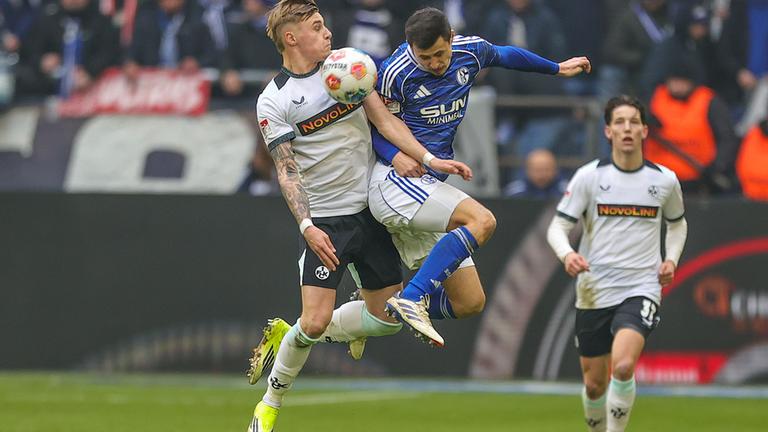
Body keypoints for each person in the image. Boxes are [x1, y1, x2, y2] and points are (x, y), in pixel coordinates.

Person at [244, 1, 470, 431]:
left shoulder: (349, 66)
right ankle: (268, 406)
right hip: (327, 221)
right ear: (291, 38)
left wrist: (426, 159)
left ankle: (290, 332)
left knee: (386, 320)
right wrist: (307, 227)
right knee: (314, 322)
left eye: (324, 24)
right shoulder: (274, 100)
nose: (327, 32)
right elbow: (286, 170)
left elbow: (385, 123)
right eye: (316, 27)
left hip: (371, 209)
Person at [370, 7, 591, 345]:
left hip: (430, 183)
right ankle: (412, 298)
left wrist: (556, 68)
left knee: (469, 302)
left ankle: (368, 312)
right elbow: (377, 125)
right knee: (482, 220)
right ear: (411, 47)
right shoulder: (395, 72)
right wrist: (396, 155)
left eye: (440, 54)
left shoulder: (469, 51)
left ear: (451, 38)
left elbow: (505, 55)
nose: (434, 63)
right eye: (425, 57)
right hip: (397, 179)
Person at [546, 95, 688, 432]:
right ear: (608, 132)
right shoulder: (589, 177)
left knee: (623, 366)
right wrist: (567, 254)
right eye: (620, 122)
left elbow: (678, 224)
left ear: (644, 131)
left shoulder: (664, 180)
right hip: (594, 289)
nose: (627, 128)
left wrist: (671, 259)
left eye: (634, 122)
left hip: (641, 285)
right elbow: (558, 227)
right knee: (594, 384)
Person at [503, 148, 567, 199]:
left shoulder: (566, 191)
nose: (542, 175)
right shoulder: (514, 193)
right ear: (527, 170)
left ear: (555, 170)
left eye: (547, 170)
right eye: (538, 170)